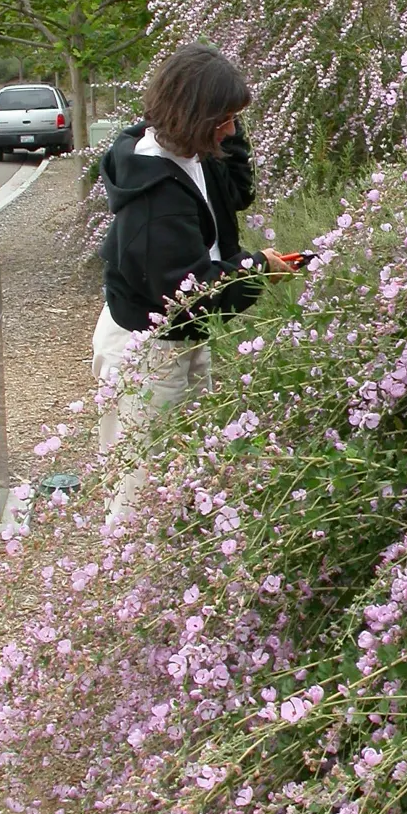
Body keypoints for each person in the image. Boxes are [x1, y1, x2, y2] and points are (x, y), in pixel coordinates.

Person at [92, 43, 291, 517]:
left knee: (184, 472)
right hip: (148, 347)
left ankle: (169, 579)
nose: (230, 129)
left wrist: (230, 134)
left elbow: (238, 194)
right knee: (137, 492)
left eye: (234, 119)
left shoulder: (194, 151)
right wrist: (260, 269)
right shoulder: (153, 198)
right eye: (223, 119)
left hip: (181, 336)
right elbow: (191, 293)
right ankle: (127, 583)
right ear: (193, 117)